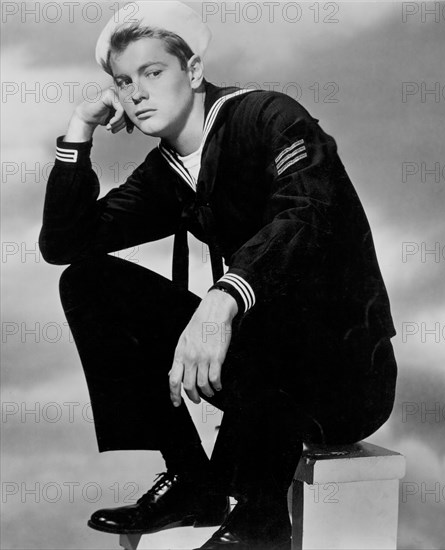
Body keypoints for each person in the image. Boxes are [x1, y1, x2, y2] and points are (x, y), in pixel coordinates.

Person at [38, 2, 398, 549]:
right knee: (88, 282)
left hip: (346, 376)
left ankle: (261, 519)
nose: (136, 93)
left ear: (194, 71)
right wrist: (78, 131)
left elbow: (307, 214)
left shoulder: (269, 116)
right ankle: (193, 481)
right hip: (261, 379)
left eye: (152, 73)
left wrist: (222, 298)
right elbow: (65, 244)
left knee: (269, 297)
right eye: (122, 80)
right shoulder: (167, 172)